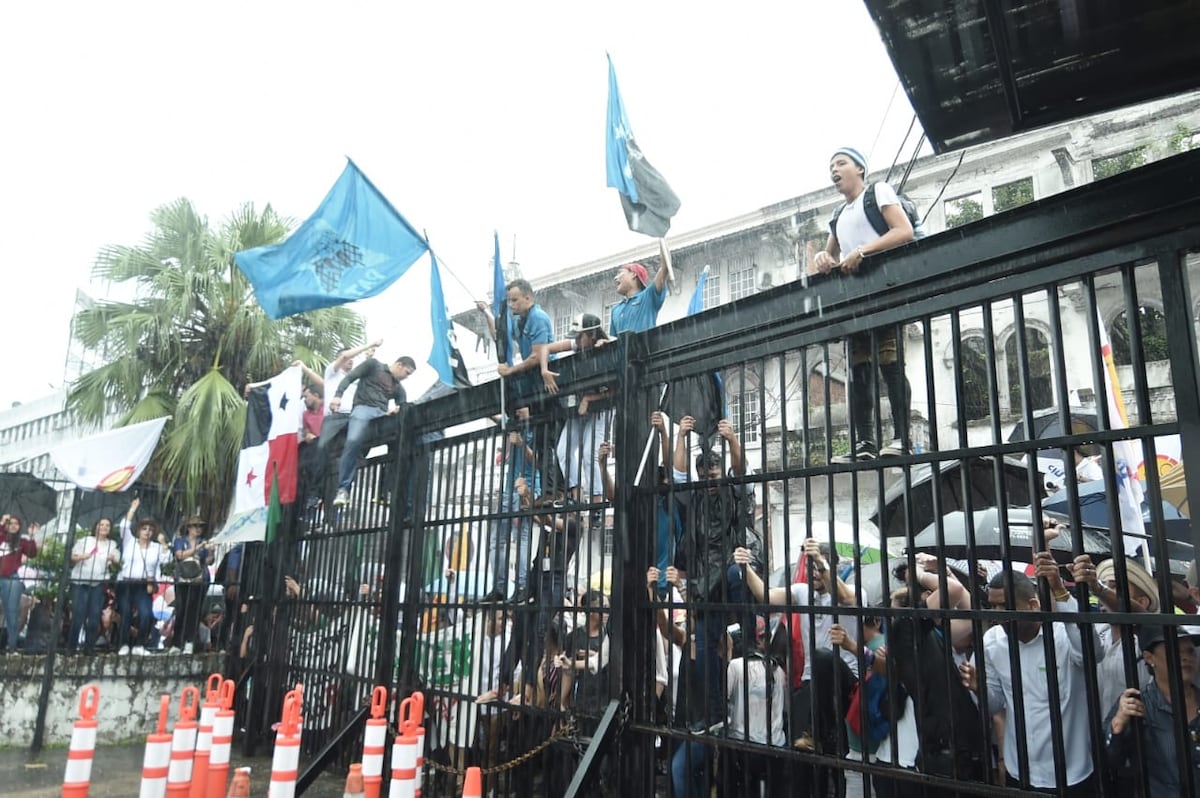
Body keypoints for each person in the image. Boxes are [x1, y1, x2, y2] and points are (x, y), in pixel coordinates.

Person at [960, 557, 1102, 795]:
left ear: (1033, 604)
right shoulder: (993, 642)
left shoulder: (1064, 637)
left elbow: (1093, 653)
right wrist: (979, 688)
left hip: (1072, 773)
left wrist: (1060, 590)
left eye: (1005, 606)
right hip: (1022, 772)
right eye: (993, 606)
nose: (998, 614)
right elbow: (995, 705)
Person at [813, 147, 915, 461]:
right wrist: (822, 258)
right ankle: (865, 444)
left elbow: (904, 231)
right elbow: (831, 255)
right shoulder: (838, 215)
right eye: (831, 165)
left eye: (841, 163)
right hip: (855, 299)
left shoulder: (877, 192)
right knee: (859, 372)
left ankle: (902, 437)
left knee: (890, 362)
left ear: (859, 169)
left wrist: (863, 251)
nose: (834, 169)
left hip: (886, 289)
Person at [1104, 623, 1200, 796]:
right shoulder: (1137, 705)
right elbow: (1109, 762)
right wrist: (1118, 726)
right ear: (1149, 658)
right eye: (1175, 651)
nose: (1186, 657)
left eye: (1190, 651)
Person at [542, 313, 614, 508]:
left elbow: (616, 392)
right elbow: (546, 348)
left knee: (591, 454)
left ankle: (597, 501)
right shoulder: (577, 345)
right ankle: (576, 495)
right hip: (580, 409)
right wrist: (544, 371)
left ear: (591, 334)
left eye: (579, 336)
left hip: (601, 409)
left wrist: (590, 398)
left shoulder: (609, 347)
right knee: (563, 450)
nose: (574, 340)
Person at [329, 355, 415, 506]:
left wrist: (396, 410)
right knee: (353, 440)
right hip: (363, 408)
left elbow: (403, 408)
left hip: (382, 414)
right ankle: (343, 488)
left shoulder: (399, 388)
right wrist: (337, 396)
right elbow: (350, 377)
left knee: (399, 442)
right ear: (399, 365)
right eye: (407, 373)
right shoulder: (374, 365)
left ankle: (386, 490)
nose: (406, 377)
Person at [115, 498, 170, 655]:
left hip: (144, 584)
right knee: (125, 613)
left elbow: (167, 559)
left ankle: (140, 644)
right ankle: (123, 644)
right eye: (144, 529)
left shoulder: (156, 548)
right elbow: (124, 526)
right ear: (138, 531)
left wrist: (164, 543)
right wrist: (133, 510)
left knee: (146, 614)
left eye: (150, 530)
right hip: (126, 583)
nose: (147, 532)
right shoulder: (129, 542)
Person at [68, 517, 120, 654]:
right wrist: (82, 557)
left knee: (94, 616)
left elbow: (117, 562)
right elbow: (72, 557)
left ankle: (89, 647)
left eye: (107, 525)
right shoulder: (85, 541)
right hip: (80, 581)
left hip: (98, 582)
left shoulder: (112, 544)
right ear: (96, 526)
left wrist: (113, 559)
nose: (104, 527)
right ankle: (71, 647)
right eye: (101, 524)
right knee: (78, 615)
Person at [170, 515, 213, 654]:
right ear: (188, 528)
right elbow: (180, 555)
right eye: (195, 526)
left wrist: (211, 552)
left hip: (198, 580)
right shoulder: (180, 541)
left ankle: (190, 641)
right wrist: (197, 548)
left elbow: (207, 561)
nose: (198, 529)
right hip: (183, 579)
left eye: (200, 526)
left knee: (194, 611)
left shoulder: (203, 542)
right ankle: (176, 642)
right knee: (181, 609)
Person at [608, 243, 671, 337]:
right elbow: (614, 341)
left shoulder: (648, 296)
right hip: (624, 352)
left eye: (620, 273)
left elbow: (666, 266)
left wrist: (660, 236)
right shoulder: (615, 309)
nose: (615, 278)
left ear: (633, 274)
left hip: (647, 350)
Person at [0, 514, 38, 652]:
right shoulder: (1, 536)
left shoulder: (21, 541)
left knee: (11, 612)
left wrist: (32, 536)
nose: (13, 525)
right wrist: (1, 523)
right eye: (10, 523)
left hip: (11, 578)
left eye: (16, 523)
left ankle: (12, 645)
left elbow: (32, 553)